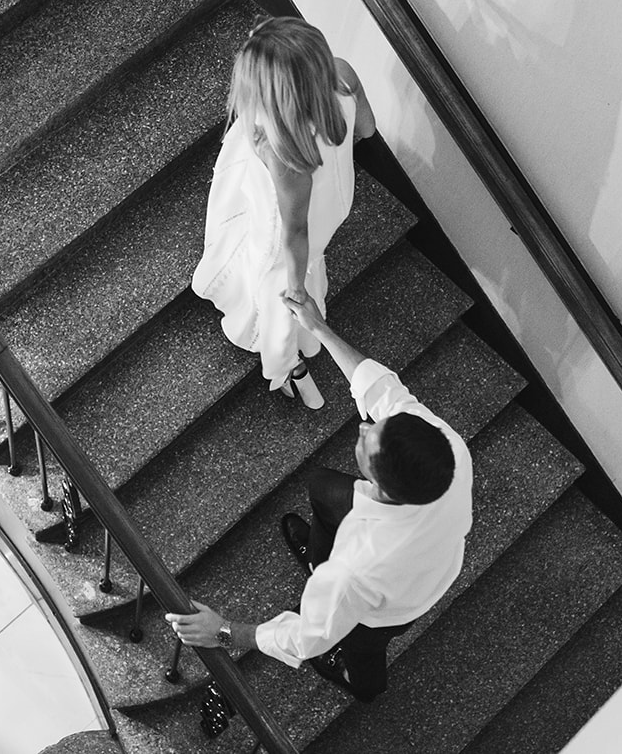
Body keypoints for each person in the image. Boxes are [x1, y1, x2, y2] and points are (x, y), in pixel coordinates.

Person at [165, 295, 473, 702]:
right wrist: (319, 328)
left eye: (369, 442)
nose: (363, 429)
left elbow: (307, 636)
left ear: (379, 483)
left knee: (363, 646)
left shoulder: (356, 570)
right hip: (434, 550)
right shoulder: (449, 449)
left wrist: (223, 631)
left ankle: (362, 684)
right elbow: (383, 390)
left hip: (391, 605)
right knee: (322, 486)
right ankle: (315, 554)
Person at [191, 17, 375, 407]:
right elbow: (368, 130)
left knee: (279, 297)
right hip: (328, 205)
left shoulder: (283, 154)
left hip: (286, 232)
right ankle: (298, 349)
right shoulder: (341, 76)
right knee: (297, 276)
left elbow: (294, 233)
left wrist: (295, 288)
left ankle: (285, 368)